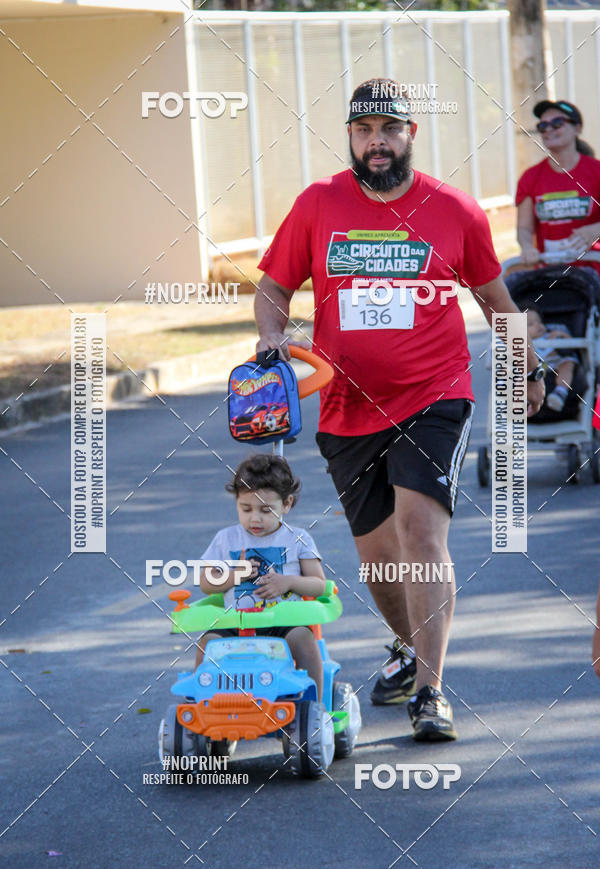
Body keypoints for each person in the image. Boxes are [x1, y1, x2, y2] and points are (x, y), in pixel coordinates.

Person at [254, 78, 545, 741]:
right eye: (364, 131)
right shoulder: (318, 203)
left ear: (411, 133)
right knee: (381, 561)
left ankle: (430, 692)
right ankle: (410, 647)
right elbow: (273, 287)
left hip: (433, 393)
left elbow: (498, 305)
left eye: (389, 129)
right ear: (351, 137)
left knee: (420, 533)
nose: (376, 142)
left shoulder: (455, 209)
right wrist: (271, 336)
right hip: (344, 404)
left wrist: (528, 370)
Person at [195, 453, 327, 700]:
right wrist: (235, 575)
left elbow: (319, 585)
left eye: (266, 510)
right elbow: (206, 583)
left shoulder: (298, 538)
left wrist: (288, 582)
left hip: (284, 622)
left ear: (286, 504)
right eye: (246, 509)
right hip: (236, 623)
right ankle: (202, 701)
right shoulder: (226, 539)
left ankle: (314, 704)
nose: (255, 518)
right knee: (208, 643)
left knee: (305, 640)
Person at [516, 100, 600, 272]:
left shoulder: (596, 171)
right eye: (543, 126)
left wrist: (596, 229)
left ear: (577, 128)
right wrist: (527, 247)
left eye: (557, 123)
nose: (548, 129)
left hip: (594, 273)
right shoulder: (530, 177)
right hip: (550, 274)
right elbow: (524, 228)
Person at [526, 306, 578, 412]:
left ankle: (560, 392)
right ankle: (525, 398)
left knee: (568, 363)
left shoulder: (551, 335)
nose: (538, 325)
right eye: (530, 324)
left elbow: (573, 346)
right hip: (535, 366)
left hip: (556, 363)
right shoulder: (523, 341)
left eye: (539, 322)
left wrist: (562, 335)